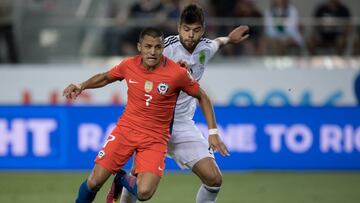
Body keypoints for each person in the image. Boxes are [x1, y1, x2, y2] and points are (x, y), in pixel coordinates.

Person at [64, 27, 227, 203]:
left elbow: (202, 96)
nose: (153, 52)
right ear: (139, 47)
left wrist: (213, 132)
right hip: (126, 131)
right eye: (148, 46)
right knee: (94, 181)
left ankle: (121, 179)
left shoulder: (177, 73)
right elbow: (105, 77)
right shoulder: (129, 65)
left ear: (163, 48)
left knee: (144, 193)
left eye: (158, 47)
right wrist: (81, 86)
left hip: (155, 138)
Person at [107, 4, 249, 203]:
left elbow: (217, 43)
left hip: (182, 124)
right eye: (186, 29)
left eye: (196, 30)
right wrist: (170, 72)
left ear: (203, 29)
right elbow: (139, 72)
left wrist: (230, 39)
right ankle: (123, 180)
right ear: (178, 27)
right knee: (139, 184)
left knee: (214, 179)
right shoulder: (165, 49)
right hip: (154, 123)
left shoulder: (205, 48)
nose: (190, 35)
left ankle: (125, 179)